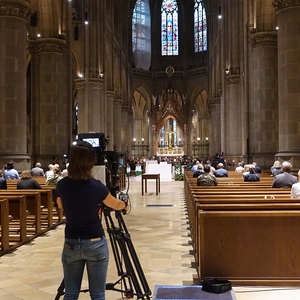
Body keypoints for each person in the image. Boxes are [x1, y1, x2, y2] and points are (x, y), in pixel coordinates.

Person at [56, 141, 130, 299]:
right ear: (91, 162)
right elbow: (114, 204)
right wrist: (125, 205)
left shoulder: (62, 185)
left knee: (70, 293)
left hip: (71, 242)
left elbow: (61, 205)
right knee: (97, 294)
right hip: (95, 242)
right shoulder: (97, 187)